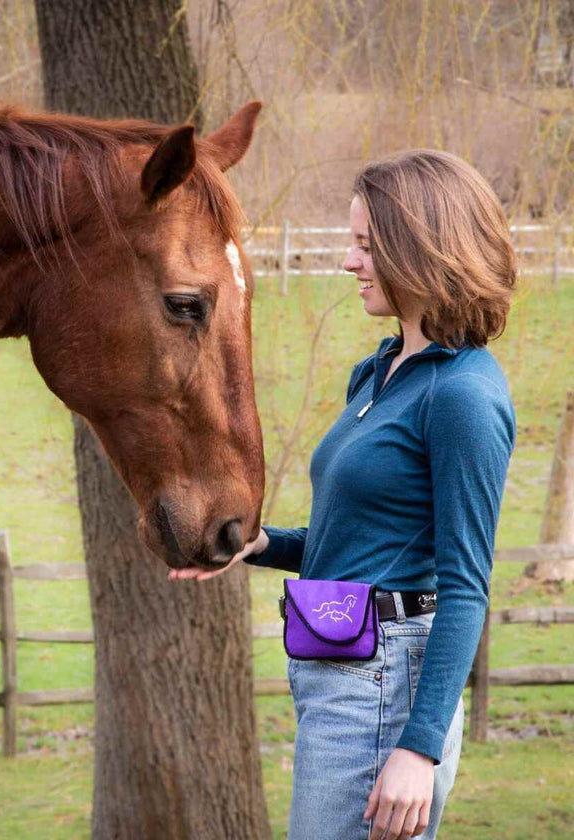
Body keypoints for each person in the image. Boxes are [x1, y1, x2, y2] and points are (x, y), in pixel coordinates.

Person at [169, 149, 517, 840]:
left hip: (386, 687)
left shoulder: (463, 396)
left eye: (366, 245)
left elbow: (466, 587)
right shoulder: (380, 372)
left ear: (421, 248)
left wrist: (418, 749)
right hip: (339, 670)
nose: (348, 261)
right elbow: (356, 542)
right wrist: (259, 545)